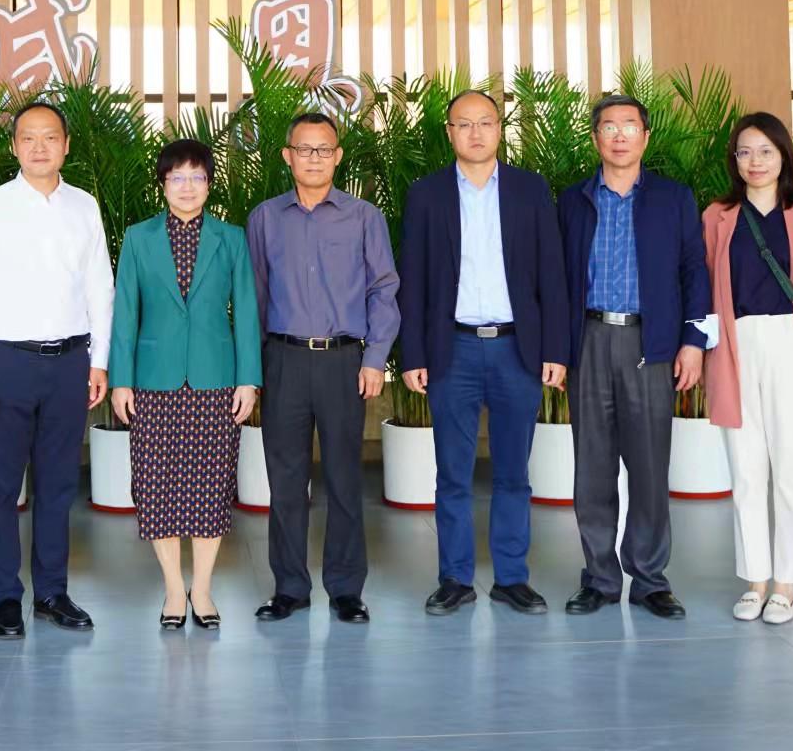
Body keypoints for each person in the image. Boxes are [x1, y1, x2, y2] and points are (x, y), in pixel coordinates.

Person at [399, 91, 572, 617]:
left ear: (500, 129)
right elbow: (413, 280)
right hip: (451, 349)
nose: (475, 133)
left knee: (513, 472)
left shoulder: (530, 189)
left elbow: (552, 274)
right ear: (449, 132)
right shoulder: (426, 194)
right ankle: (454, 578)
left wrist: (555, 349)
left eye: (485, 122)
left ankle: (512, 578)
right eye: (464, 124)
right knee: (452, 473)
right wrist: (412, 355)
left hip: (517, 349)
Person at [0, 101, 114, 639]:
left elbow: (100, 288)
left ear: (65, 145)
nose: (39, 146)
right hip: (6, 364)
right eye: (28, 137)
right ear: (14, 146)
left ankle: (51, 592)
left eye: (50, 137)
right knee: (2, 486)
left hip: (70, 363)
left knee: (58, 484)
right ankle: (5, 597)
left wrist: (98, 361)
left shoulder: (84, 206)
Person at [556, 93, 711, 619]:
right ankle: (599, 579)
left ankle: (649, 579)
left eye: (629, 125)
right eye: (608, 126)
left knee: (648, 467)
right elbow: (556, 279)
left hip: (651, 344)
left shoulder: (673, 198)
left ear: (645, 136)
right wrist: (558, 350)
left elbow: (694, 270)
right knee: (592, 467)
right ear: (595, 137)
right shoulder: (574, 200)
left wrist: (693, 342)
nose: (619, 135)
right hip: (589, 340)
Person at [247, 112, 401, 625]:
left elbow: (384, 290)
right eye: (304, 149)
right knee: (286, 481)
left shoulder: (364, 217)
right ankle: (289, 587)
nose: (313, 158)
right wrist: (255, 368)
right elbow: (253, 296)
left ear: (337, 156)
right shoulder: (265, 218)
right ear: (287, 156)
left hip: (344, 363)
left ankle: (346, 588)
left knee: (344, 479)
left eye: (323, 149)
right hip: (283, 360)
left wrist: (375, 359)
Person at [108, 139, 261, 631]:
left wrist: (248, 379)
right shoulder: (138, 238)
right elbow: (125, 313)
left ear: (209, 184)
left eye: (197, 177)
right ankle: (175, 589)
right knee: (158, 487)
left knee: (211, 487)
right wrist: (121, 381)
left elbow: (247, 312)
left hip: (216, 380)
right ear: (163, 184)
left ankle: (204, 589)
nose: (187, 187)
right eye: (177, 178)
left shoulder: (230, 238)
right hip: (153, 382)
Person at [702, 111, 793, 626]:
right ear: (734, 160)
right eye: (744, 152)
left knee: (789, 471)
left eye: (765, 151)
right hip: (735, 345)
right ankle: (755, 581)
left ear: (783, 155)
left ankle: (786, 583)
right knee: (745, 471)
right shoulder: (718, 215)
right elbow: (705, 291)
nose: (755, 161)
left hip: (792, 341)